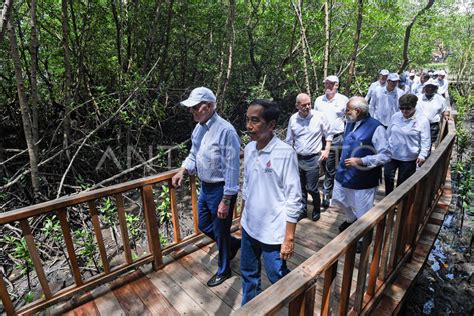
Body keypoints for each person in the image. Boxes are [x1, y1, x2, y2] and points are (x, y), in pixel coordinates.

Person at [171, 87, 241, 287]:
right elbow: (193, 154)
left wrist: (226, 200)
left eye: (195, 107)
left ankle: (224, 269)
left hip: (221, 189)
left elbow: (232, 168)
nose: (191, 111)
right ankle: (233, 243)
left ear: (209, 106)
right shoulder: (199, 127)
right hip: (206, 187)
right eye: (191, 108)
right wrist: (182, 170)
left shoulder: (225, 130)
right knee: (203, 225)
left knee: (220, 231)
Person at [240, 99, 302, 305]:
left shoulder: (285, 153)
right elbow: (247, 186)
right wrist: (242, 218)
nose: (249, 126)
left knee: (277, 276)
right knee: (248, 273)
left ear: (271, 125)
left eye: (255, 121)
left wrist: (289, 238)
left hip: (273, 231)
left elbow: (294, 198)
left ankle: (296, 302)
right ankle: (250, 309)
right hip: (249, 227)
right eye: (247, 120)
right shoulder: (249, 149)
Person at [332, 97, 390, 236]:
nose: (346, 112)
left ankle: (362, 236)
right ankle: (351, 218)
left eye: (348, 110)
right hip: (343, 173)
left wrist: (362, 160)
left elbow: (386, 155)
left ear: (357, 111)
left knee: (363, 211)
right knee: (339, 199)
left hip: (363, 177)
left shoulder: (377, 128)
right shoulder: (350, 122)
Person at [286, 93, 333, 221]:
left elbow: (329, 133)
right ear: (297, 106)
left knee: (311, 188)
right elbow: (289, 140)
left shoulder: (319, 116)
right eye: (304, 105)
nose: (307, 107)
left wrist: (327, 150)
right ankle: (303, 210)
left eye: (309, 104)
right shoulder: (293, 119)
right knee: (300, 188)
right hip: (298, 157)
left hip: (313, 158)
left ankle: (316, 208)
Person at [384, 94, 431, 195]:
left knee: (403, 182)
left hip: (409, 157)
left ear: (414, 107)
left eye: (408, 109)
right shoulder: (395, 116)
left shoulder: (422, 120)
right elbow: (388, 134)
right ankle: (388, 199)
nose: (405, 111)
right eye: (402, 108)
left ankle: (399, 202)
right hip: (392, 154)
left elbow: (426, 140)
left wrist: (422, 155)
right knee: (387, 177)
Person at [313, 75, 349, 207]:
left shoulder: (344, 100)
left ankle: (327, 193)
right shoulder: (318, 100)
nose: (328, 86)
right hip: (319, 137)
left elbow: (349, 118)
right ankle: (329, 186)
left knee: (330, 165)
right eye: (326, 83)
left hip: (336, 137)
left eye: (331, 84)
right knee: (322, 163)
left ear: (337, 85)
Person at [415, 79, 450, 145]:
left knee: (429, 143)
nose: (430, 88)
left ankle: (428, 154)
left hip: (433, 126)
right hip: (419, 124)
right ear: (424, 88)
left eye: (432, 87)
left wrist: (446, 115)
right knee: (418, 142)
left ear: (435, 88)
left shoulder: (440, 99)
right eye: (428, 86)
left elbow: (445, 109)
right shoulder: (418, 98)